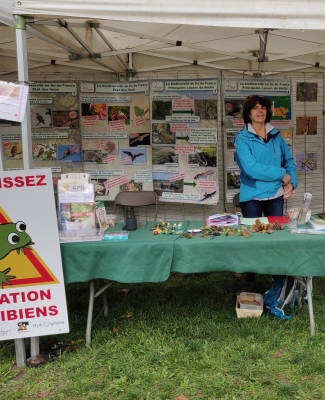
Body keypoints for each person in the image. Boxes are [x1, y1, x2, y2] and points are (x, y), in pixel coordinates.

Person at [234, 95, 298, 293]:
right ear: (248, 113)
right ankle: (250, 278)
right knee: (251, 237)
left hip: (275, 195)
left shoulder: (276, 136)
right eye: (255, 108)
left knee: (276, 237)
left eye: (263, 107)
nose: (259, 111)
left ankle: (277, 276)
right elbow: (252, 168)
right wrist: (282, 175)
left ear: (267, 111)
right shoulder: (242, 138)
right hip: (252, 195)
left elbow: (289, 161)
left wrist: (292, 182)